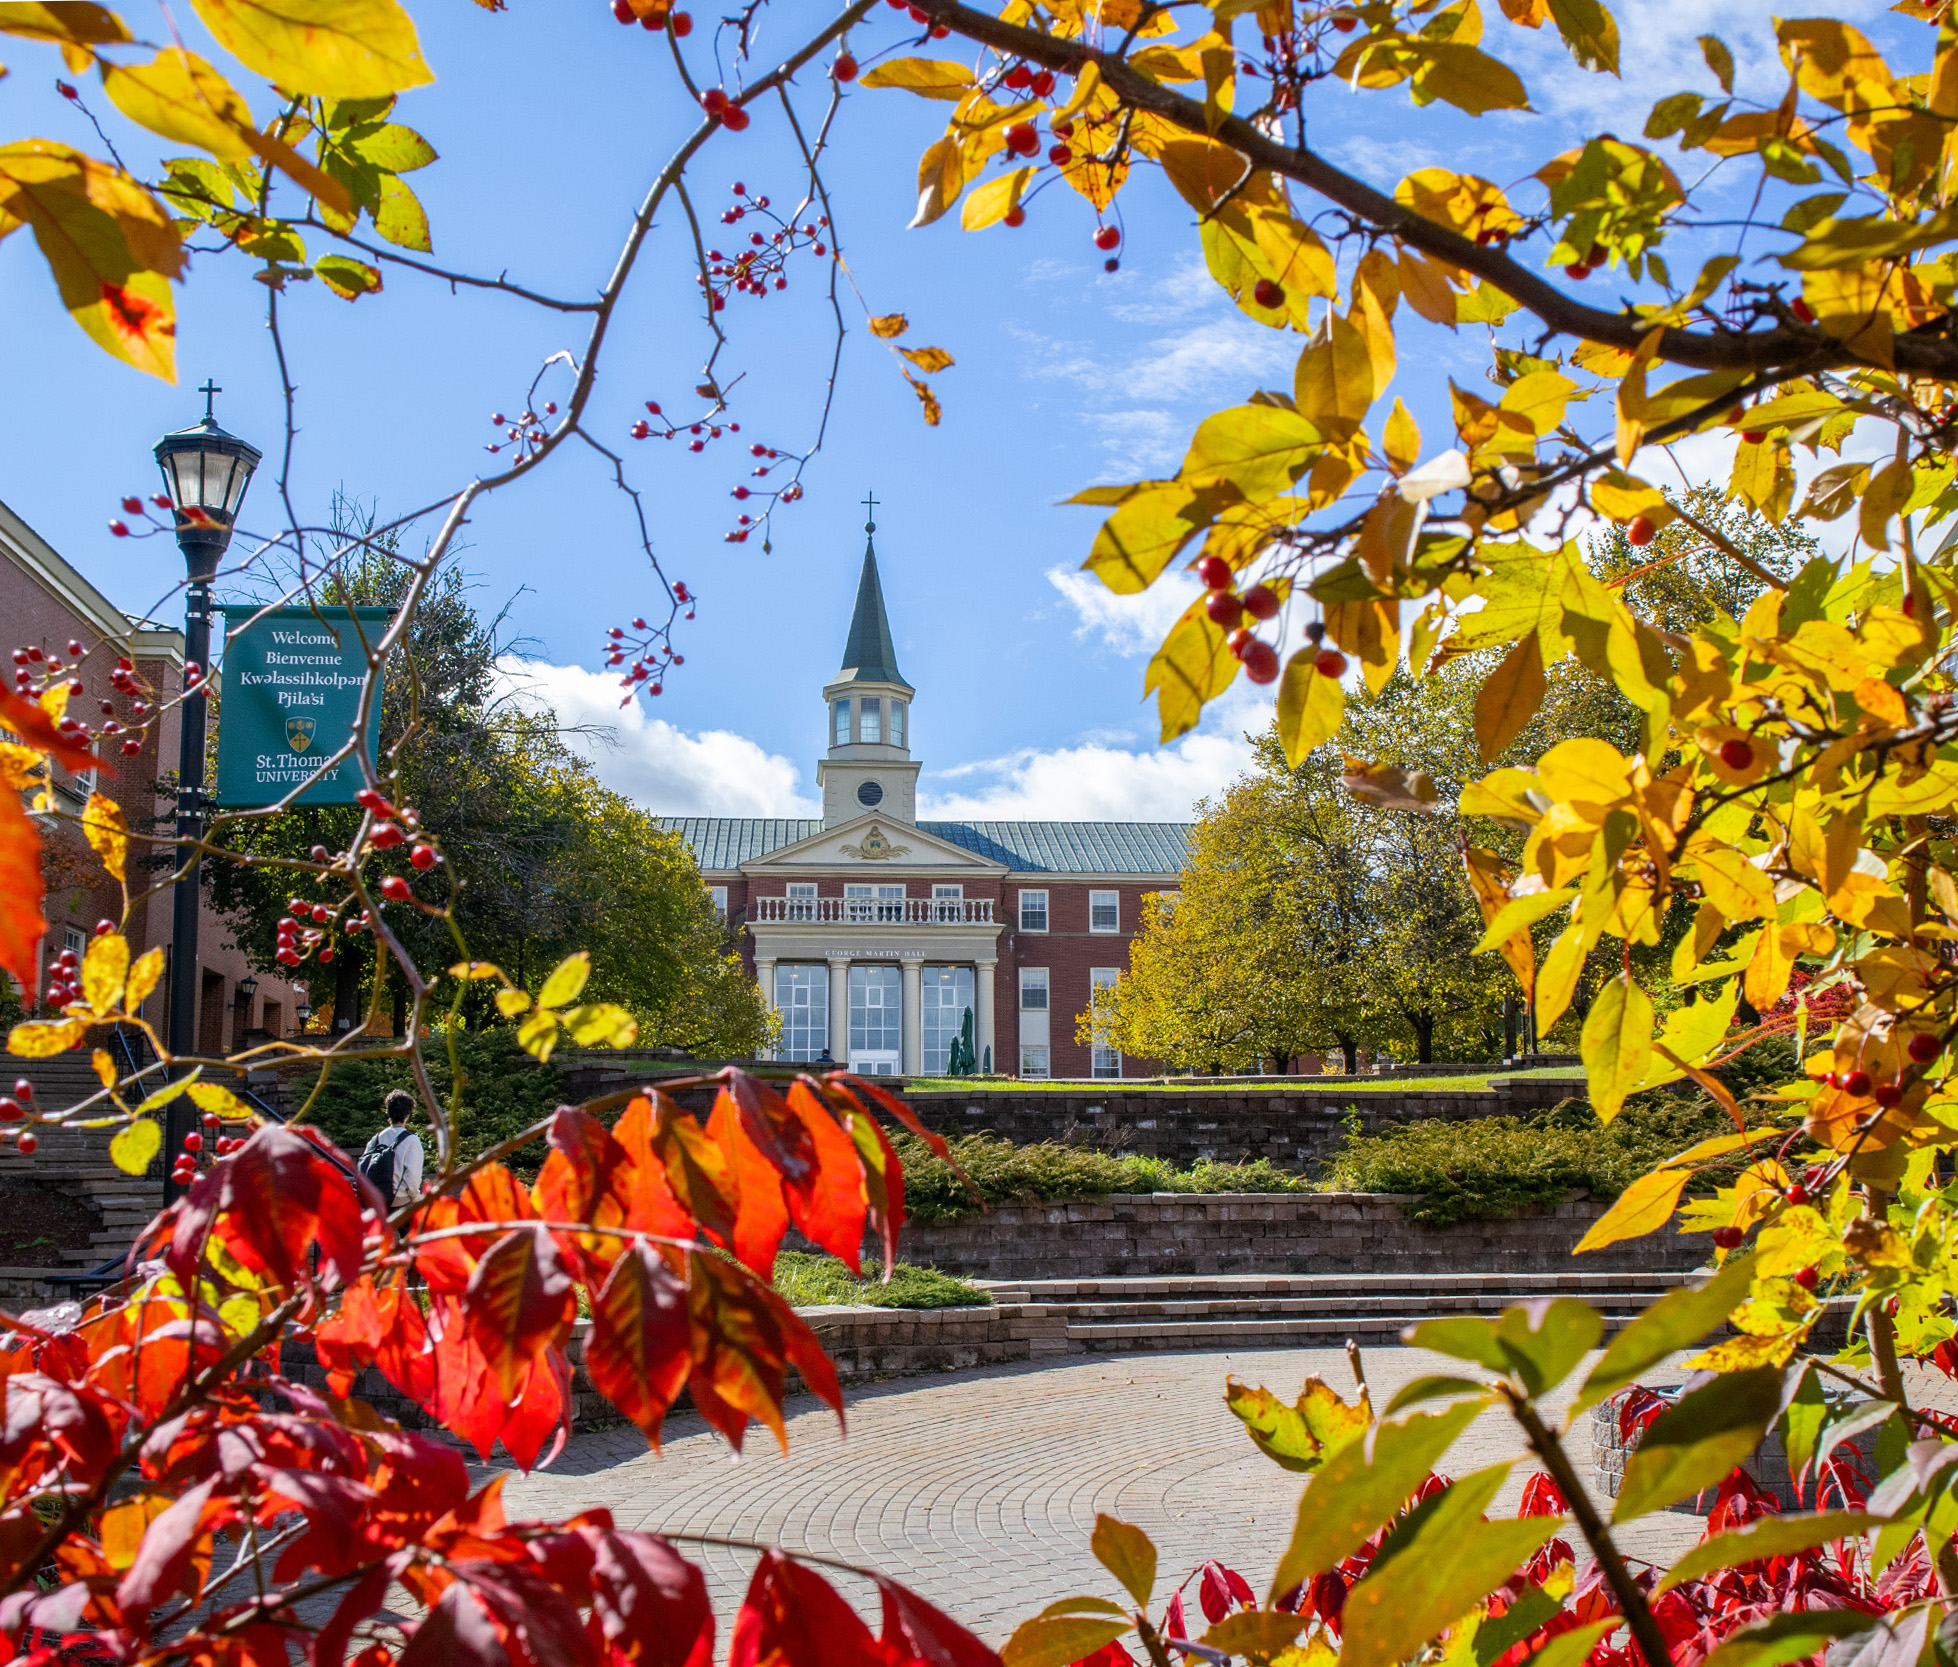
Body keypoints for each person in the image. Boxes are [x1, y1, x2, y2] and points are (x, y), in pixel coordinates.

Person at [358, 1089, 424, 1210]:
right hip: (397, 1200)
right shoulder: (412, 1140)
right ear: (408, 1114)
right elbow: (412, 1180)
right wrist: (416, 1199)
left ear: (388, 1112)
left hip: (373, 1198)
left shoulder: (375, 1139)